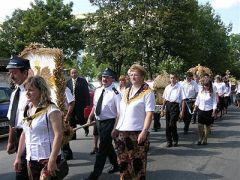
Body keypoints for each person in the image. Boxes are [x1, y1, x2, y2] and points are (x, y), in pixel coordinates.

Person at [13, 76, 63, 179]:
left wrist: (52, 160)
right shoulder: (28, 109)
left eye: (31, 90)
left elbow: (59, 135)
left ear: (41, 91)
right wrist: (18, 157)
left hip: (47, 159)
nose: (27, 93)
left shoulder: (51, 109)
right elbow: (24, 134)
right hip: (31, 159)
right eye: (26, 90)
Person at [112, 64, 155, 180]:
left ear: (142, 76)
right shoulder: (126, 91)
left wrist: (144, 131)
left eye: (136, 75)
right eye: (131, 75)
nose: (132, 77)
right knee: (123, 161)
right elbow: (120, 112)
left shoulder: (148, 92)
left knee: (137, 163)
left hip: (137, 133)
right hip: (122, 132)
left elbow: (149, 113)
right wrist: (115, 128)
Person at [86, 68, 121, 180]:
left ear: (112, 79)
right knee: (107, 145)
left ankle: (95, 175)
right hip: (98, 121)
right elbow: (96, 106)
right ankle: (116, 165)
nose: (104, 79)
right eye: (103, 77)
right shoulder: (98, 90)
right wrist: (90, 117)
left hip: (109, 122)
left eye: (107, 77)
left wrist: (115, 128)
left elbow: (119, 113)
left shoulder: (116, 93)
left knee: (102, 149)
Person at [6, 55, 31, 180]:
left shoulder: (33, 92)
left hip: (30, 136)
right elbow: (12, 119)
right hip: (18, 135)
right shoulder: (15, 92)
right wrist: (11, 140)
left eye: (14, 72)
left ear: (25, 72)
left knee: (22, 172)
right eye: (10, 72)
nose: (11, 76)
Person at [161, 73, 185, 147]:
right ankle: (169, 141)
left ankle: (175, 139)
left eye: (174, 78)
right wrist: (162, 109)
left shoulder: (180, 87)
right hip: (168, 105)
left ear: (176, 78)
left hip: (175, 106)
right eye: (171, 78)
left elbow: (183, 100)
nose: (172, 79)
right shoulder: (167, 87)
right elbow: (165, 99)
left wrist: (182, 111)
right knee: (168, 125)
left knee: (172, 123)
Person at [66, 68, 90, 137]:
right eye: (72, 73)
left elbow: (86, 92)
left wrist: (88, 103)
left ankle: (86, 128)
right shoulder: (68, 82)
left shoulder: (82, 81)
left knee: (81, 119)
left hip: (80, 104)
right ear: (70, 74)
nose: (74, 74)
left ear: (77, 73)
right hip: (71, 104)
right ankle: (73, 135)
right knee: (72, 120)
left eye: (75, 72)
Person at [193, 78, 217, 145]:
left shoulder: (212, 92)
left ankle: (205, 139)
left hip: (209, 110)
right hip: (201, 110)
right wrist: (195, 107)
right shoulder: (200, 91)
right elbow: (198, 99)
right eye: (205, 85)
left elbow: (214, 102)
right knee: (200, 125)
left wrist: (214, 111)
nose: (206, 87)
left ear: (210, 85)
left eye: (207, 85)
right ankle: (200, 138)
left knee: (207, 126)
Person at [62, 87, 75, 160]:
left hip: (63, 113)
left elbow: (72, 103)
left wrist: (67, 116)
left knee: (64, 134)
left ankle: (67, 153)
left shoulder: (65, 89)